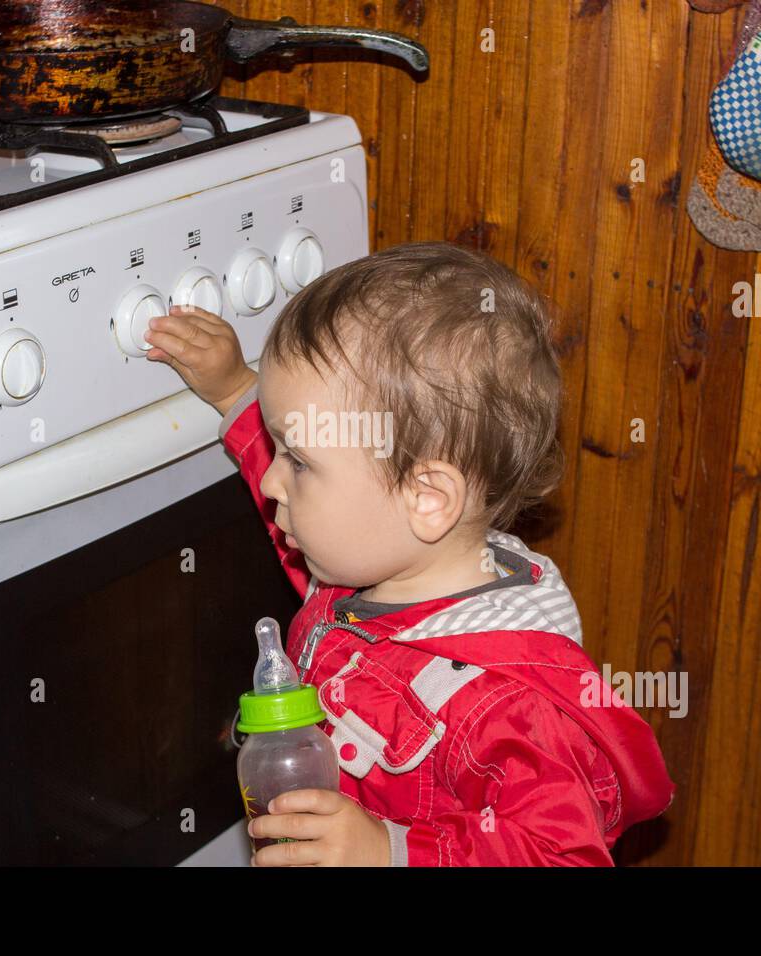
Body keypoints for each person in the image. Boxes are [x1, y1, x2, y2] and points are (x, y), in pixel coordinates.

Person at [144, 240, 674, 866]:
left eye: (300, 462)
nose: (271, 483)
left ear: (427, 498)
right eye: (281, 449)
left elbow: (563, 858)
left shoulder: (508, 705)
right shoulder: (377, 563)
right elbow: (317, 523)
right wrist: (236, 391)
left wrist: (391, 851)